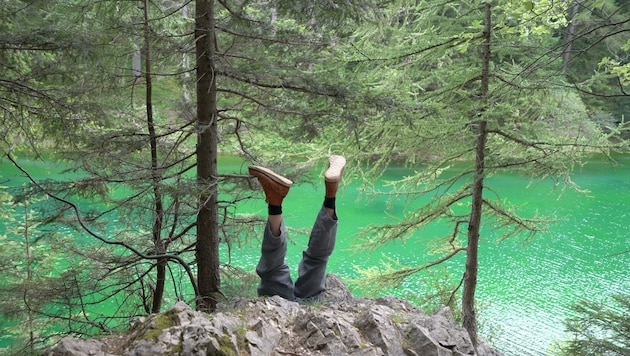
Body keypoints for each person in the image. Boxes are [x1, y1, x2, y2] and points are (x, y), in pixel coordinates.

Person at [248, 155, 346, 303]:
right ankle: (331, 192)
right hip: (311, 303)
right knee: (315, 260)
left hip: (279, 305)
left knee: (275, 269)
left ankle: (275, 199)